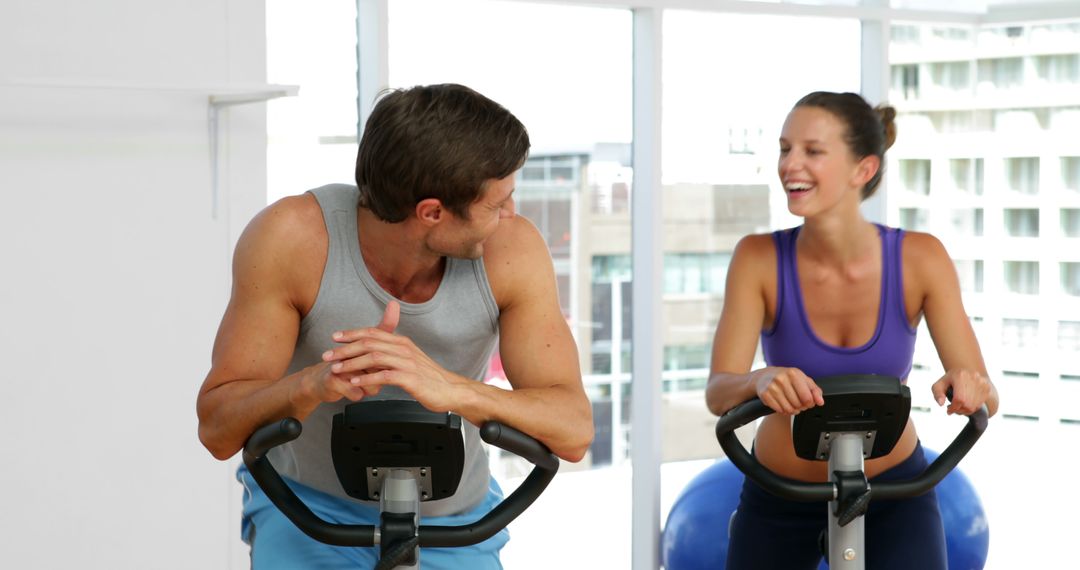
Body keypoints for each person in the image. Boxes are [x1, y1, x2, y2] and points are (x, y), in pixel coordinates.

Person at [196, 83, 594, 569]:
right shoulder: (293, 239)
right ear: (432, 213)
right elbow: (217, 428)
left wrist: (447, 388)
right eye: (497, 204)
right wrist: (313, 384)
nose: (510, 215)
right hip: (308, 510)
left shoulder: (512, 251)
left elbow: (573, 431)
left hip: (455, 519)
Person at [705, 91, 999, 570]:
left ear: (862, 170)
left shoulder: (919, 258)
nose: (789, 164)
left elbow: (985, 394)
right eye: (784, 149)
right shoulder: (757, 258)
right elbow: (720, 393)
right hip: (781, 492)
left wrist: (969, 386)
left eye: (812, 151)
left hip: (895, 491)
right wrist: (758, 379)